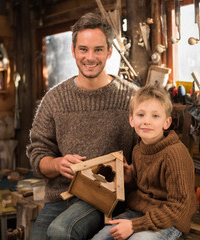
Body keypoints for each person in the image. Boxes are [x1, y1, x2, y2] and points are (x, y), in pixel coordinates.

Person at [26, 12, 139, 240]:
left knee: (60, 233)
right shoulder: (55, 99)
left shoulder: (132, 98)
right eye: (83, 49)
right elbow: (38, 155)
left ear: (108, 52)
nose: (90, 57)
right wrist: (57, 164)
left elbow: (150, 154)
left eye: (98, 49)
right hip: (61, 198)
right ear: (73, 51)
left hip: (108, 199)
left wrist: (133, 174)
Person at [92, 85, 196, 240]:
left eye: (155, 116)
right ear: (131, 120)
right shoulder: (138, 149)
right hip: (138, 213)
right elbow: (143, 191)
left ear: (166, 123)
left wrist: (134, 226)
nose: (146, 121)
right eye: (141, 115)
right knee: (101, 238)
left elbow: (179, 207)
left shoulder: (175, 154)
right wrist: (129, 180)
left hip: (168, 221)